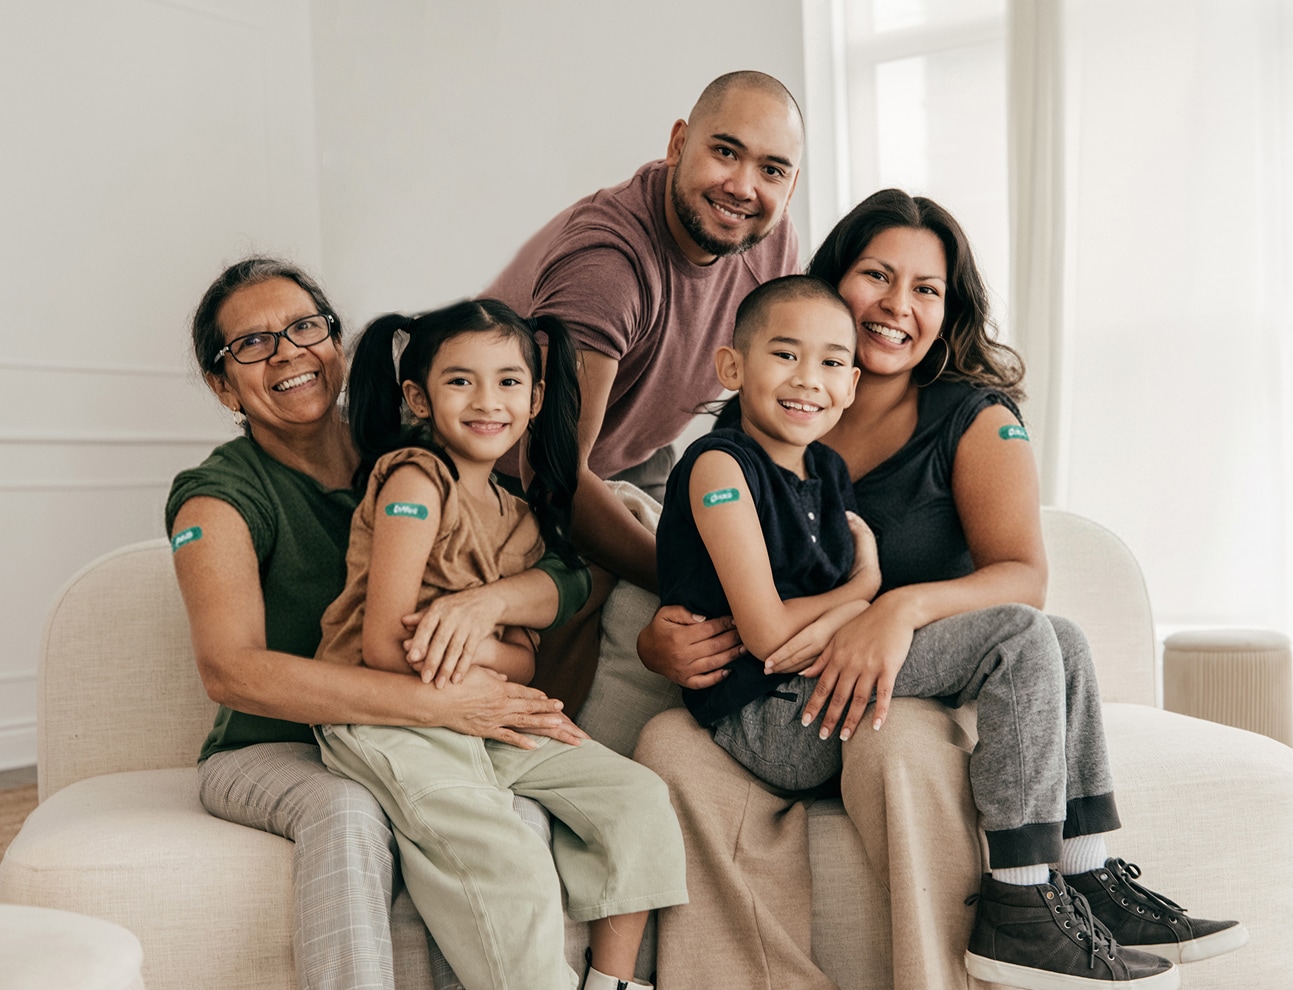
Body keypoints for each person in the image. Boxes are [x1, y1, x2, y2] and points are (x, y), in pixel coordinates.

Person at [634, 190, 1248, 990]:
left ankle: (1085, 874)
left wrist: (894, 607)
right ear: (831, 282)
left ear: (947, 310)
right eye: (876, 276)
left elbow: (1023, 577)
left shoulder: (967, 419)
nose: (898, 305)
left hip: (894, 662)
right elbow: (712, 569)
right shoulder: (771, 428)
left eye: (925, 289)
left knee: (1055, 634)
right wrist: (658, 637)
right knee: (1030, 636)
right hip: (791, 689)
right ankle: (1020, 902)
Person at [167, 258, 592, 990]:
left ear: (336, 343)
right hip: (272, 748)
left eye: (305, 328)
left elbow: (565, 570)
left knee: (508, 819)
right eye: (253, 344)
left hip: (419, 739)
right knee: (349, 809)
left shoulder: (420, 450)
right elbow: (232, 672)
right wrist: (439, 704)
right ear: (222, 384)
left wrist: (488, 603)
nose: (288, 354)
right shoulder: (218, 496)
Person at [311, 298, 687, 990]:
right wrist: (470, 641)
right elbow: (385, 649)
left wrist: (471, 636)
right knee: (504, 856)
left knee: (635, 797)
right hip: (389, 717)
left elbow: (522, 661)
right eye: (460, 381)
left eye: (509, 381)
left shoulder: (521, 518)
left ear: (536, 398)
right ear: (418, 398)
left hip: (482, 708)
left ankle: (612, 982)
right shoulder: (414, 480)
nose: (488, 400)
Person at [485, 69, 804, 592]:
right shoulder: (607, 267)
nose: (743, 187)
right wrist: (692, 583)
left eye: (771, 170)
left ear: (790, 186)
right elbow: (551, 473)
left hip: (637, 455)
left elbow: (772, 414)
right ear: (678, 144)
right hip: (499, 470)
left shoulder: (769, 238)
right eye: (725, 152)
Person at [655, 275, 879, 792]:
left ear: (851, 384)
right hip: (765, 713)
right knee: (1010, 637)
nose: (808, 380)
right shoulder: (720, 467)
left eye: (830, 363)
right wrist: (864, 591)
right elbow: (768, 635)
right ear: (732, 367)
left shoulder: (829, 469)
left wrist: (851, 613)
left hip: (821, 685)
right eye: (785, 355)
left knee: (1041, 641)